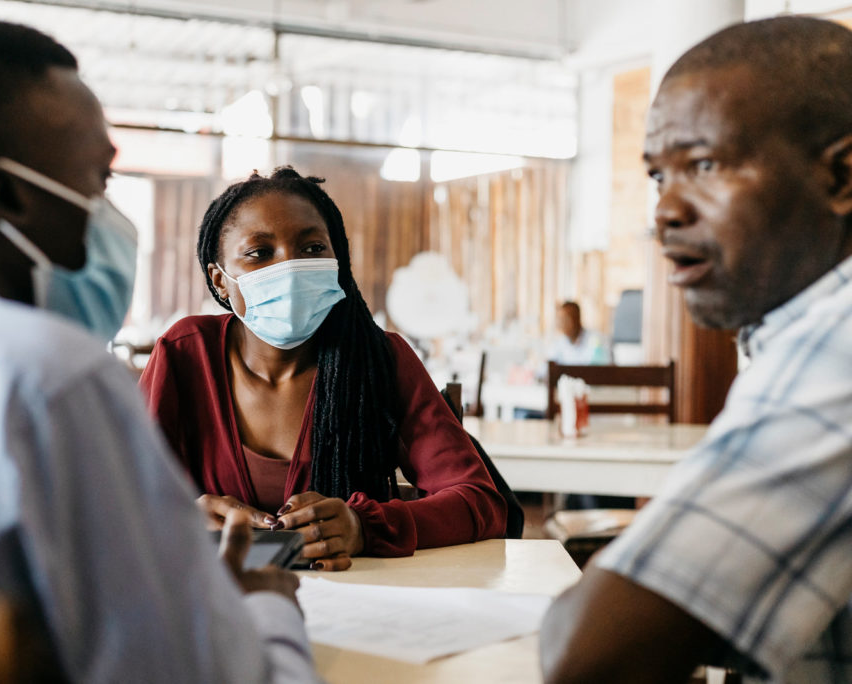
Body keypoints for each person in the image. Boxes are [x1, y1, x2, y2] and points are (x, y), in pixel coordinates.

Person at [0, 16, 319, 683]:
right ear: (5, 195)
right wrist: (266, 609)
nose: (106, 214)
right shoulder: (44, 378)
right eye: (98, 180)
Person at [540, 16, 852, 684]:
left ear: (842, 176)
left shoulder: (840, 345)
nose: (664, 212)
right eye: (659, 176)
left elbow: (587, 656)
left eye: (705, 165)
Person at [139, 168, 509, 571]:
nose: (290, 267)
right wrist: (179, 518)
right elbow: (115, 497)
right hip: (216, 607)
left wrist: (363, 527)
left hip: (355, 603)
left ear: (338, 260)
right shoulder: (185, 354)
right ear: (220, 281)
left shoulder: (378, 359)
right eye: (260, 253)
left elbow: (480, 501)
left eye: (312, 248)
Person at [547, 301, 609, 365]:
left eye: (566, 319)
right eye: (560, 320)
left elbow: (601, 368)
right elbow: (544, 369)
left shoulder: (596, 339)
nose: (562, 324)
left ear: (577, 319)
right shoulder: (558, 343)